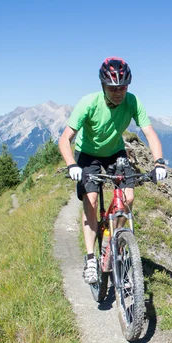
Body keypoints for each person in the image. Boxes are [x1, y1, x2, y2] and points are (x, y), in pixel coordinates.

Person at [58, 57, 166, 284]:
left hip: (116, 153)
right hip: (88, 155)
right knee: (92, 200)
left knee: (128, 197)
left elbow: (150, 134)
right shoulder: (88, 103)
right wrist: (72, 165)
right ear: (103, 86)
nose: (119, 92)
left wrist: (159, 163)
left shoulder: (132, 102)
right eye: (113, 88)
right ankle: (90, 259)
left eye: (123, 87)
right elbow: (64, 139)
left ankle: (112, 242)